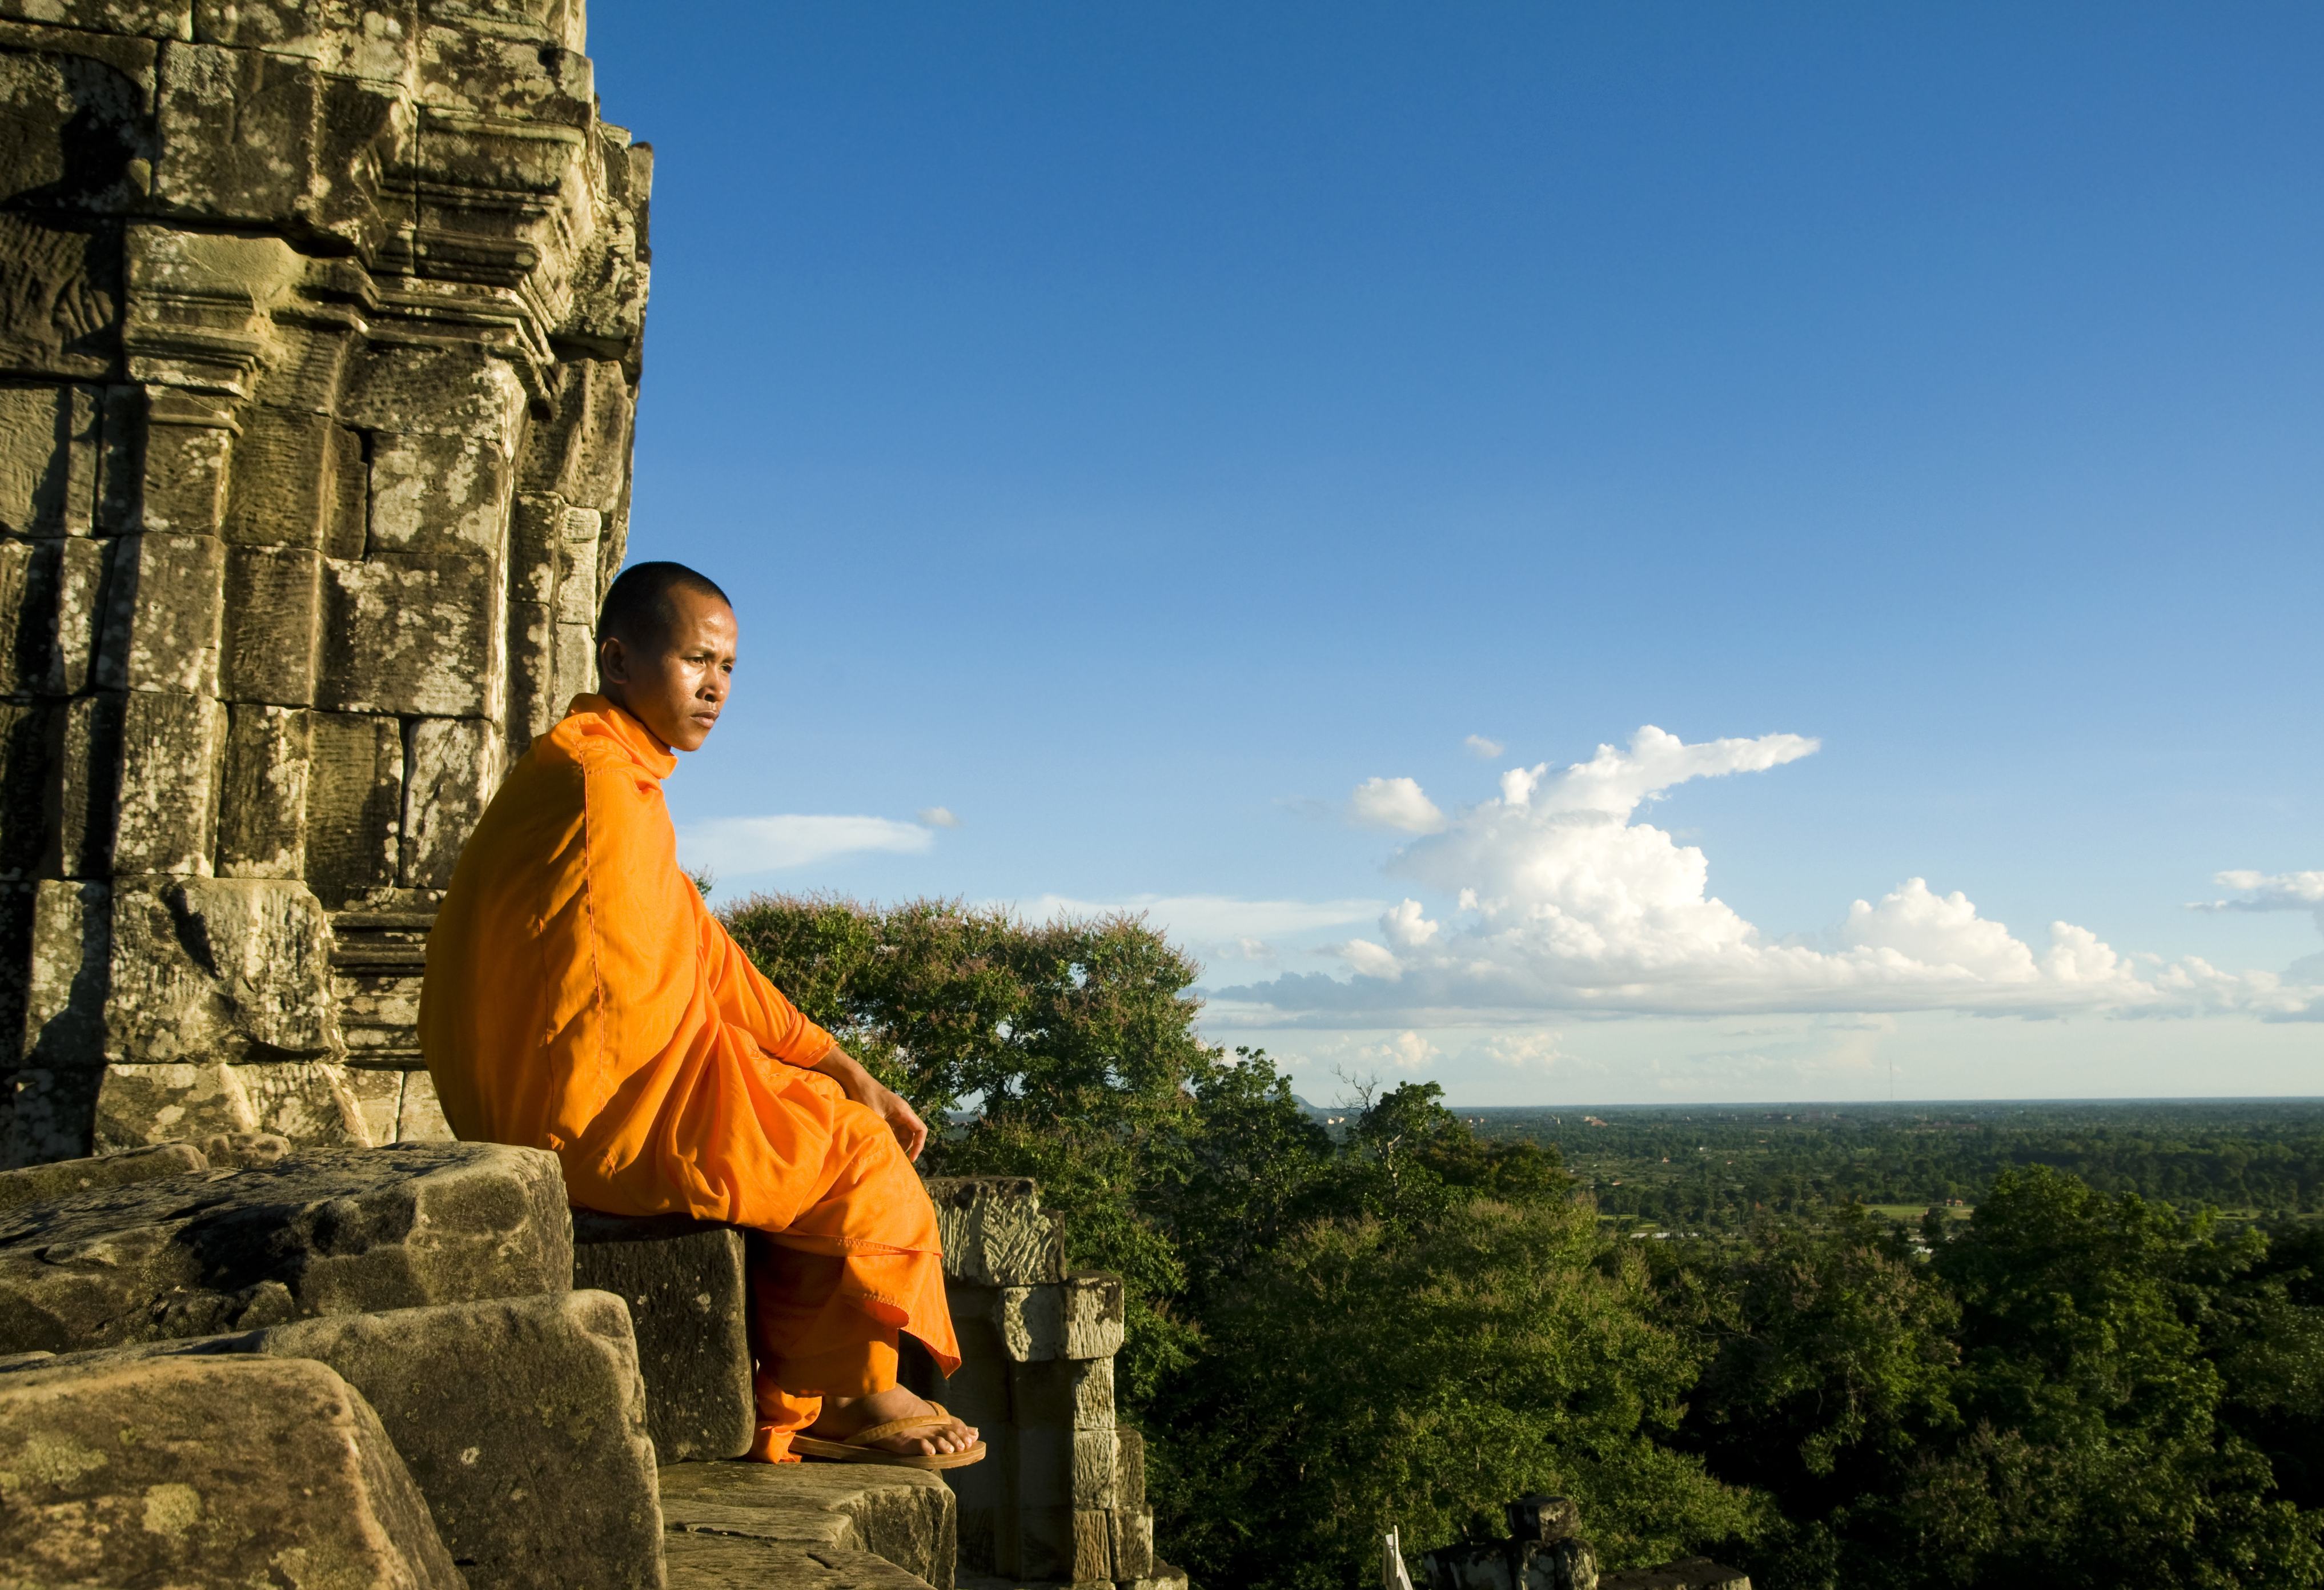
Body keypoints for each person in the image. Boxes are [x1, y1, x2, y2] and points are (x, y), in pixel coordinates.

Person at [419, 560, 980, 1467]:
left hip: (551, 1097)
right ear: (620, 660)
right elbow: (634, 992)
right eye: (694, 660)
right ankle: (845, 1396)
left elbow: (698, 953)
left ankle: (813, 1384)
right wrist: (795, 1085)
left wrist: (840, 1065)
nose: (715, 686)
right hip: (586, 1118)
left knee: (823, 1114)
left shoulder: (607, 773)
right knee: (856, 1152)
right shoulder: (594, 782)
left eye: (727, 666)